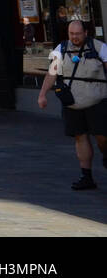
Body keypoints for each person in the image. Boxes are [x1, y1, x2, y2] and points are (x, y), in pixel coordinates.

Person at [39, 19, 107, 190]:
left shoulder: (99, 47)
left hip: (97, 101)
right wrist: (42, 95)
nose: (74, 37)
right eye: (71, 34)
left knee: (102, 137)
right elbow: (51, 74)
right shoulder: (60, 49)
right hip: (72, 103)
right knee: (80, 137)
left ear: (86, 33)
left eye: (78, 34)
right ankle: (86, 176)